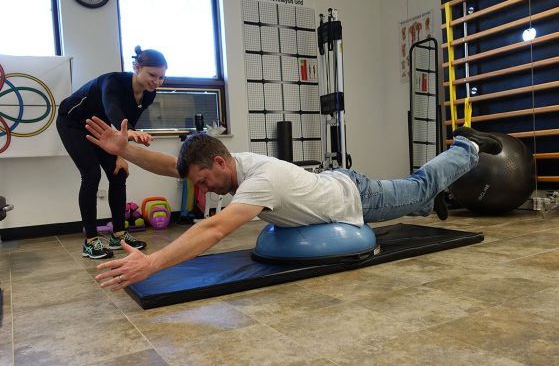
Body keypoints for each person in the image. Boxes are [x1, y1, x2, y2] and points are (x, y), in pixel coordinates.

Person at [84, 117, 501, 289]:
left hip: (356, 198)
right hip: (332, 187)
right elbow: (175, 167)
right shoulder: (230, 164)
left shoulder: (259, 181)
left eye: (204, 180)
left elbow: (213, 229)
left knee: (419, 185)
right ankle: (433, 201)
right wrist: (127, 150)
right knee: (421, 197)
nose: (203, 189)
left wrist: (151, 264)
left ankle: (467, 146)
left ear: (217, 162)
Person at [57, 46, 167, 259]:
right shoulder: (113, 82)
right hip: (72, 123)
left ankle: (118, 235)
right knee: (91, 174)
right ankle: (90, 241)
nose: (156, 82)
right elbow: (113, 110)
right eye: (152, 75)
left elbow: (126, 127)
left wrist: (120, 156)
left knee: (119, 172)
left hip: (102, 128)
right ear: (137, 67)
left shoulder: (148, 95)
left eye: (162, 77)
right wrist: (131, 132)